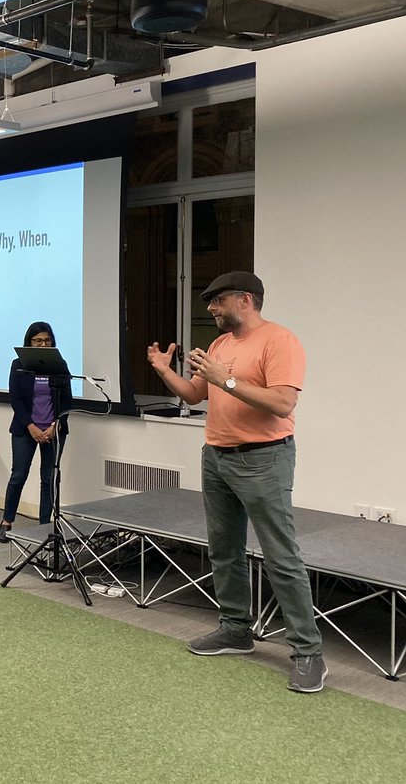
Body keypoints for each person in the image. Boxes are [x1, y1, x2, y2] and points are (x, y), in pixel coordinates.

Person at [147, 271, 325, 693]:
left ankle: (308, 652)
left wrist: (224, 380)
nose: (211, 308)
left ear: (245, 299)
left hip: (263, 459)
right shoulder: (220, 345)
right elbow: (194, 395)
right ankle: (235, 630)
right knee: (224, 549)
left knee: (281, 556)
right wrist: (164, 371)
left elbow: (283, 403)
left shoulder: (279, 340)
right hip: (217, 457)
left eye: (218, 300)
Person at [0, 322, 73, 541]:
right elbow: (16, 399)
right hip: (25, 429)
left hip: (53, 431)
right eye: (37, 340)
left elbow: (67, 400)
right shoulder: (18, 365)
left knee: (48, 478)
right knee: (18, 475)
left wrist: (54, 426)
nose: (43, 344)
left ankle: (44, 525)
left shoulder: (59, 364)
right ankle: (6, 521)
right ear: (29, 342)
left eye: (47, 340)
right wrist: (31, 426)